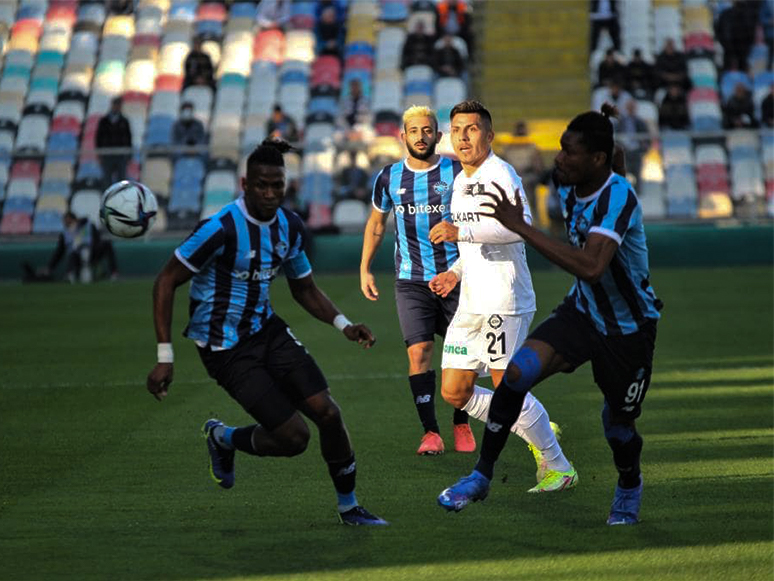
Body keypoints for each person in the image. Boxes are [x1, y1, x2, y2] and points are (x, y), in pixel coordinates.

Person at [438, 103, 661, 528]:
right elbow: (610, 163)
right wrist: (606, 126)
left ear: (594, 159)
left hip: (628, 328)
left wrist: (521, 227)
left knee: (618, 428)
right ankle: (481, 475)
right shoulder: (569, 179)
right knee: (516, 375)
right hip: (581, 312)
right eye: (561, 148)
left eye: (570, 151)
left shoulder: (620, 197)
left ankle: (629, 484)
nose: (559, 158)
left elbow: (591, 266)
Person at [146, 138, 388, 527]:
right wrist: (164, 356)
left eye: (278, 185)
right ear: (245, 184)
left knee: (328, 412)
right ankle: (223, 438)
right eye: (262, 185)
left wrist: (344, 325)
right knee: (294, 439)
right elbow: (165, 281)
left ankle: (350, 507)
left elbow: (304, 287)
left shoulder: (290, 227)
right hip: (225, 349)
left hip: (268, 331)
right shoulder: (219, 228)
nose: (271, 193)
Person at [426, 100, 577, 493]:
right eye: (457, 129)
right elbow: (472, 242)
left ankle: (558, 467)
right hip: (471, 300)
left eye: (472, 129)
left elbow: (521, 228)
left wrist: (462, 234)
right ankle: (531, 423)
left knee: (504, 386)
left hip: (504, 298)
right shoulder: (459, 181)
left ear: (489, 135)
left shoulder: (501, 174)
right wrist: (454, 273)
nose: (463, 137)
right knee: (454, 391)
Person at [360, 105, 474, 455]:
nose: (421, 137)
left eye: (427, 130)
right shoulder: (388, 178)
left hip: (457, 276)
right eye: (414, 131)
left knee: (464, 356)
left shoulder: (459, 172)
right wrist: (365, 268)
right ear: (403, 136)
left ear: (438, 136)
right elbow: (377, 224)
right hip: (411, 280)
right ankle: (431, 433)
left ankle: (461, 422)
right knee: (420, 350)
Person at [24, 211, 118, 283]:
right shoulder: (65, 234)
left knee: (107, 244)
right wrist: (50, 267)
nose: (68, 224)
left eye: (69, 221)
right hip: (76, 257)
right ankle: (70, 275)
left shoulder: (87, 226)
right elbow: (59, 252)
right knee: (73, 254)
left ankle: (113, 273)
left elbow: (97, 239)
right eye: (66, 223)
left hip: (92, 252)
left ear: (75, 220)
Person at [96, 97, 132, 187]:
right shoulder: (104, 121)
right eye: (116, 105)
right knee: (107, 180)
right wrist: (100, 153)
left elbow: (128, 138)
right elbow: (99, 138)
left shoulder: (124, 121)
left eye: (119, 105)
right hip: (107, 155)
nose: (117, 107)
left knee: (121, 180)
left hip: (120, 155)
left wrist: (128, 154)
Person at [616, 100, 650, 185]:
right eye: (629, 107)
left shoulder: (640, 122)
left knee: (637, 174)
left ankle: (638, 193)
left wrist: (644, 147)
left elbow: (646, 137)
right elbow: (616, 137)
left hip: (637, 150)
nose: (630, 109)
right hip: (624, 150)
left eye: (632, 107)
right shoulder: (620, 122)